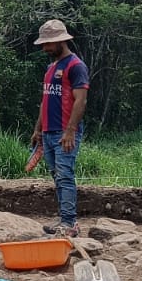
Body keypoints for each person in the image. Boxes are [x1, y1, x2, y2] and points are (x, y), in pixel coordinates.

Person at [30, 19, 89, 238]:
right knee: (57, 175)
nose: (45, 48)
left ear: (61, 41)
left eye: (48, 44)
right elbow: (45, 100)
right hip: (48, 131)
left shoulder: (76, 66)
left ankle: (70, 222)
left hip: (65, 131)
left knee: (65, 175)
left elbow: (80, 100)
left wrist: (70, 130)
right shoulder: (51, 68)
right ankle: (64, 217)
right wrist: (38, 129)